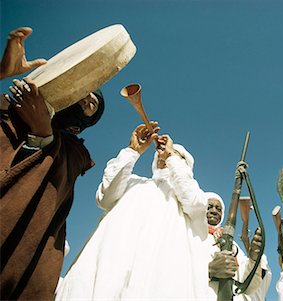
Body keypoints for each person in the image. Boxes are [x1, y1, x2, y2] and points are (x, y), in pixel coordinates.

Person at [0, 27, 105, 300]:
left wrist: (43, 134)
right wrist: (2, 73)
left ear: (79, 128)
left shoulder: (74, 154)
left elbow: (52, 190)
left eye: (91, 104)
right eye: (83, 91)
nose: (86, 98)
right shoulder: (7, 113)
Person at [56, 131, 210, 300]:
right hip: (111, 269)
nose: (165, 154)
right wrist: (132, 151)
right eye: (162, 152)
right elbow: (105, 197)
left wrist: (172, 156)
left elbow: (193, 200)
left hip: (160, 277)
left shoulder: (193, 199)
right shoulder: (134, 183)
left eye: (175, 155)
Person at [205, 192, 264, 300]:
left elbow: (249, 286)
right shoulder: (190, 235)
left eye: (218, 209)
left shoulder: (233, 245)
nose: (214, 211)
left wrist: (254, 259)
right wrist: (209, 271)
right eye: (209, 207)